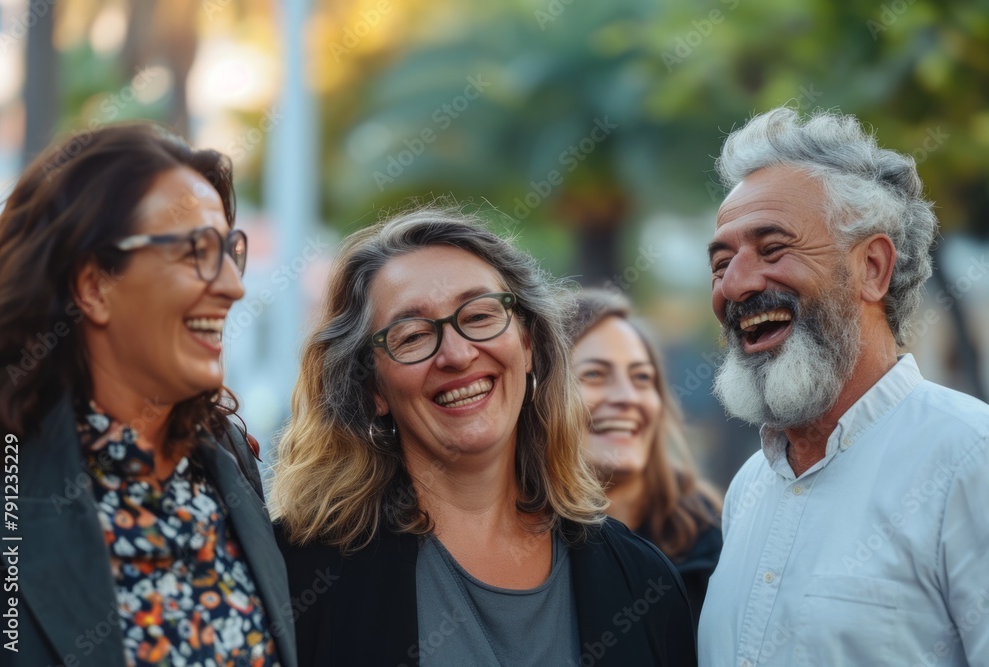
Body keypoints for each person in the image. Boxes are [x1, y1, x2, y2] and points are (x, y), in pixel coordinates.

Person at [271, 206, 697, 666]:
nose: (456, 354)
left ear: (529, 345)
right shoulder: (299, 580)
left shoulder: (644, 583)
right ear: (374, 388)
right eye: (412, 335)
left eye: (478, 315)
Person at [0, 124, 295, 667]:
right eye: (197, 251)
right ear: (94, 285)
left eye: (230, 251)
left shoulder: (227, 458)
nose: (233, 285)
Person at [700, 107, 989, 665]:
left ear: (873, 268)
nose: (735, 285)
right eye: (720, 262)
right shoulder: (749, 488)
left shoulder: (970, 460)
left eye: (773, 248)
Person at [567, 288, 722, 624]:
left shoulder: (723, 544)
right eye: (594, 374)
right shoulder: (516, 557)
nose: (627, 397)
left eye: (641, 378)